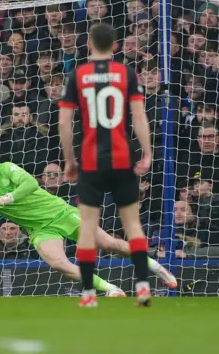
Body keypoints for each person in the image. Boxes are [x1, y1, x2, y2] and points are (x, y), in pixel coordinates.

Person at [0, 148, 176, 300]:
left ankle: (155, 267)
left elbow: (30, 184)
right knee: (59, 264)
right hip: (41, 230)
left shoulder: (6, 169)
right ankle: (111, 289)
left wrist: (5, 199)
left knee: (108, 243)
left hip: (60, 212)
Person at [57, 23, 153, 307]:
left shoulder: (78, 75)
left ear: (89, 43)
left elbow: (64, 122)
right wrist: (146, 154)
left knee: (88, 226)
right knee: (133, 225)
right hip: (123, 159)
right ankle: (144, 287)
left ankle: (88, 293)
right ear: (115, 46)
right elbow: (139, 117)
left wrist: (69, 160)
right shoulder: (127, 73)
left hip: (91, 161)